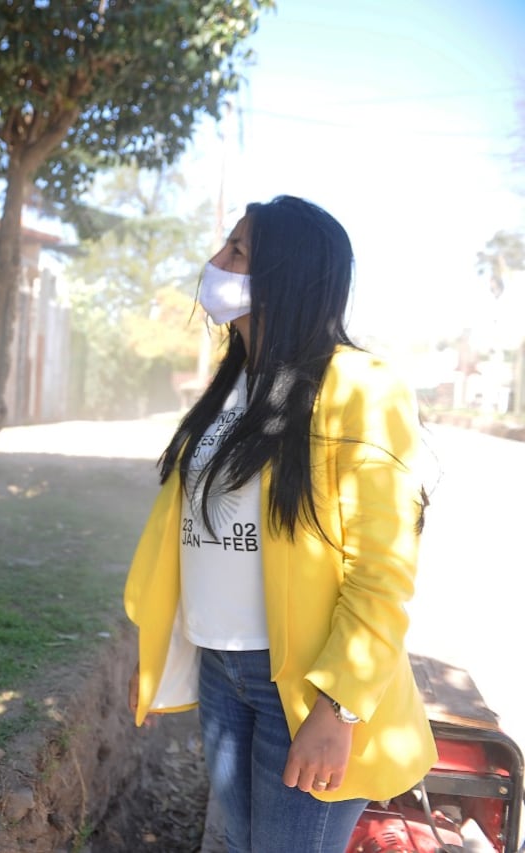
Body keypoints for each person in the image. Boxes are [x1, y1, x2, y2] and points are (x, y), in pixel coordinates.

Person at [123, 195, 437, 851]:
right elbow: (187, 538)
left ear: (286, 275)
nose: (216, 262)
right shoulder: (232, 386)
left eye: (237, 250)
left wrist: (339, 705)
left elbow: (383, 569)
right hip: (222, 671)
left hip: (301, 686)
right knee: (234, 843)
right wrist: (157, 649)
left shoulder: (360, 385)